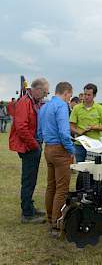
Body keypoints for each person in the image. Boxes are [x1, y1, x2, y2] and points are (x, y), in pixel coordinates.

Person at [9, 78, 49, 223]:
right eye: (45, 92)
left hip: (31, 145)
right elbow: (21, 128)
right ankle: (27, 214)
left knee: (31, 180)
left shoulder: (31, 101)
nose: (45, 95)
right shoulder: (25, 102)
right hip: (29, 147)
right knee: (28, 180)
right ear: (37, 89)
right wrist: (34, 145)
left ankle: (29, 208)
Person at [37, 82, 75, 237]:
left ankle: (50, 217)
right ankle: (56, 224)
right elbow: (64, 133)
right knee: (62, 188)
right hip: (60, 150)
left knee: (51, 186)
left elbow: (39, 132)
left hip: (48, 148)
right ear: (66, 93)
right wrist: (71, 151)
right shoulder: (61, 106)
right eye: (70, 96)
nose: (69, 99)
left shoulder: (44, 106)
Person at [70, 83, 102, 162]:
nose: (86, 97)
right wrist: (80, 131)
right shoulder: (77, 108)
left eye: (89, 95)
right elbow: (71, 126)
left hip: (95, 145)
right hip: (80, 144)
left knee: (93, 170)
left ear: (94, 95)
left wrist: (94, 127)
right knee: (81, 168)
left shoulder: (99, 108)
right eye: (85, 94)